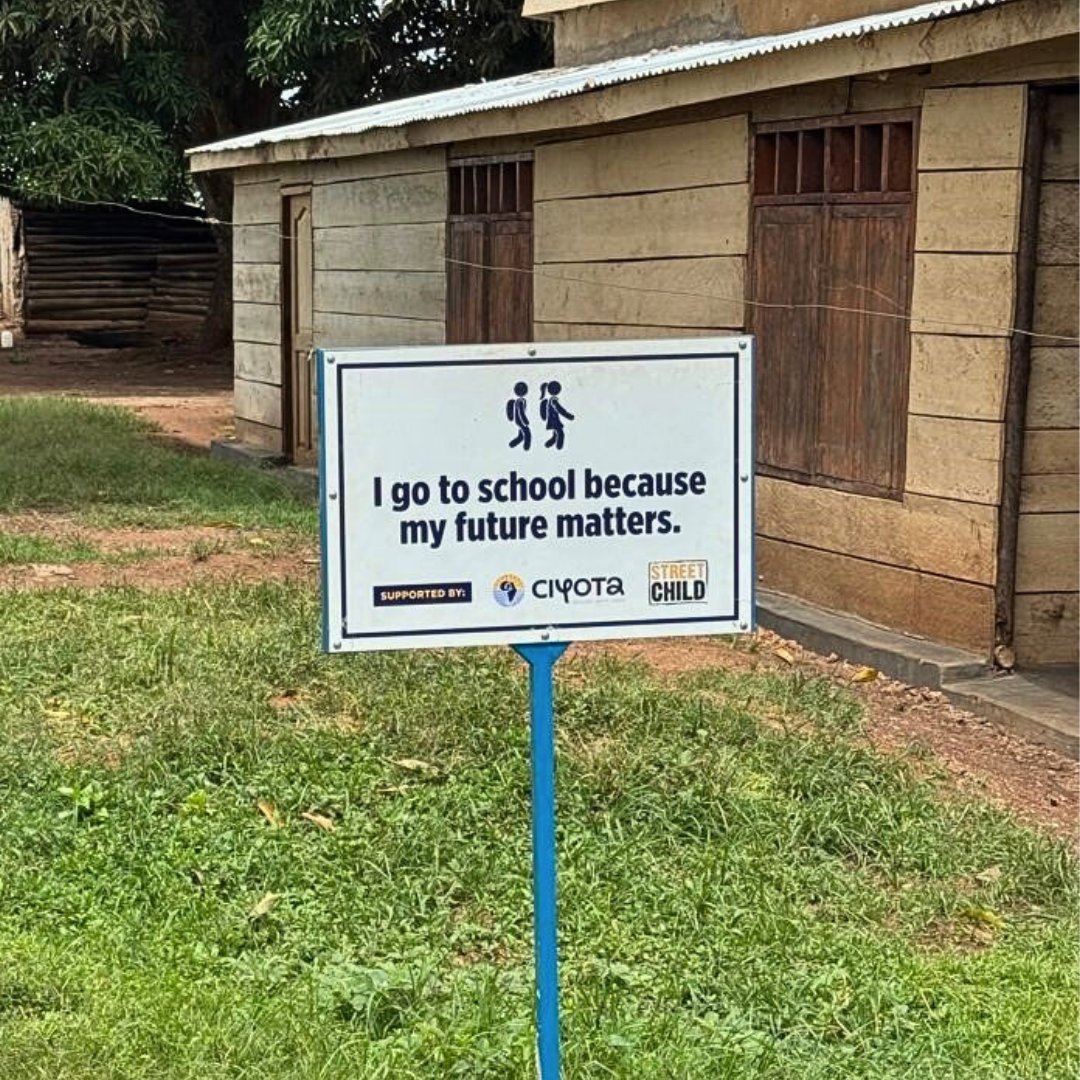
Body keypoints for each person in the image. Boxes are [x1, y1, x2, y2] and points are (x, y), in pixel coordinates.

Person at [539, 381, 574, 450]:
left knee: (556, 432)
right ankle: (559, 447)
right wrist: (569, 416)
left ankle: (550, 443)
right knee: (560, 433)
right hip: (554, 419)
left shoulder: (551, 399)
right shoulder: (553, 400)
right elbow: (560, 409)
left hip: (553, 419)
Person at [506, 381, 530, 450]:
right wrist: (525, 421)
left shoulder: (521, 400)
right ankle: (526, 447)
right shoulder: (520, 401)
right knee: (527, 433)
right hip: (520, 420)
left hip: (519, 420)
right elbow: (521, 412)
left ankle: (512, 444)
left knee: (521, 435)